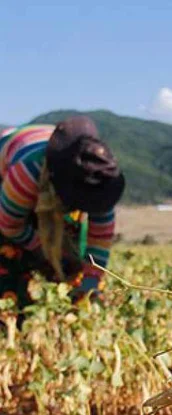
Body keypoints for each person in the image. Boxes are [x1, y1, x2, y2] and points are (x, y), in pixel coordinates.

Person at [0, 116, 125, 308]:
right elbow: (9, 225)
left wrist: (89, 285)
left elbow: (99, 242)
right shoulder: (26, 172)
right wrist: (44, 252)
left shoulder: (100, 176)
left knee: (71, 250)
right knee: (9, 257)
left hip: (51, 171)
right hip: (8, 170)